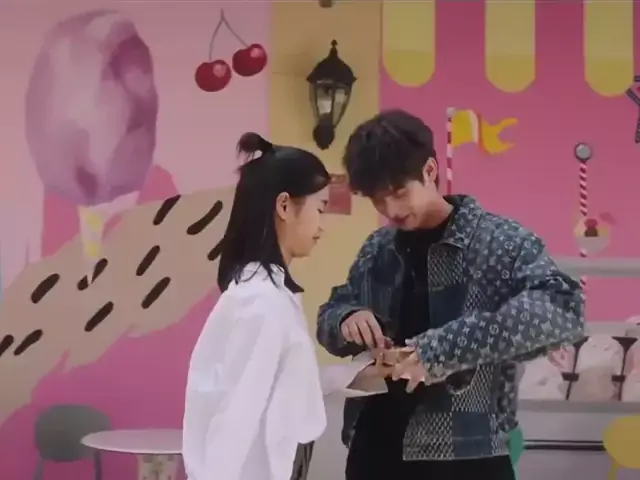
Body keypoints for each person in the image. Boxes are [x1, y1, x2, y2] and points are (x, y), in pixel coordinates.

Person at [316, 110, 585, 480]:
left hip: (467, 453)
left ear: (430, 170)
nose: (391, 210)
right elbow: (332, 312)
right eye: (378, 200)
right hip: (372, 448)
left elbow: (563, 311)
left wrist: (440, 351)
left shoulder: (500, 242)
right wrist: (346, 318)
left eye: (399, 193)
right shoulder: (378, 248)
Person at [182, 132, 331, 480]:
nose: (322, 226)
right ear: (284, 206)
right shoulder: (262, 304)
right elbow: (236, 415)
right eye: (320, 208)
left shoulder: (269, 296)